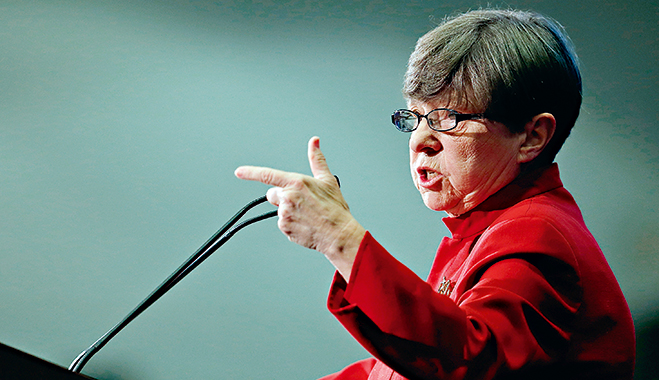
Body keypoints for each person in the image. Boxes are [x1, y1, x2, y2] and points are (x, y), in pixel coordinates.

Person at [235, 8, 635, 380]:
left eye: (449, 119)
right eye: (415, 115)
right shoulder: (488, 227)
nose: (421, 140)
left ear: (532, 137)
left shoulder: (538, 233)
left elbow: (469, 359)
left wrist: (339, 238)